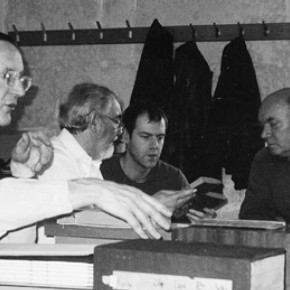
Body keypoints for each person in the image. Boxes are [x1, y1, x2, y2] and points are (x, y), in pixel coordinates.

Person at [0, 32, 172, 241]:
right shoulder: (58, 159)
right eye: (8, 76)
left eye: (21, 79)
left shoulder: (90, 164)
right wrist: (92, 191)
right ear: (95, 122)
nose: (19, 91)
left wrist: (23, 175)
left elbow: (16, 246)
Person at [101, 103, 216, 221]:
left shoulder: (173, 178)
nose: (155, 146)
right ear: (125, 135)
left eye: (160, 138)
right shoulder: (101, 172)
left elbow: (181, 230)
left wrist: (202, 224)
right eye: (145, 137)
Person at [239, 88, 290, 223]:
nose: (264, 135)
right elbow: (250, 214)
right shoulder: (264, 159)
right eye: (263, 126)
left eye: (273, 125)